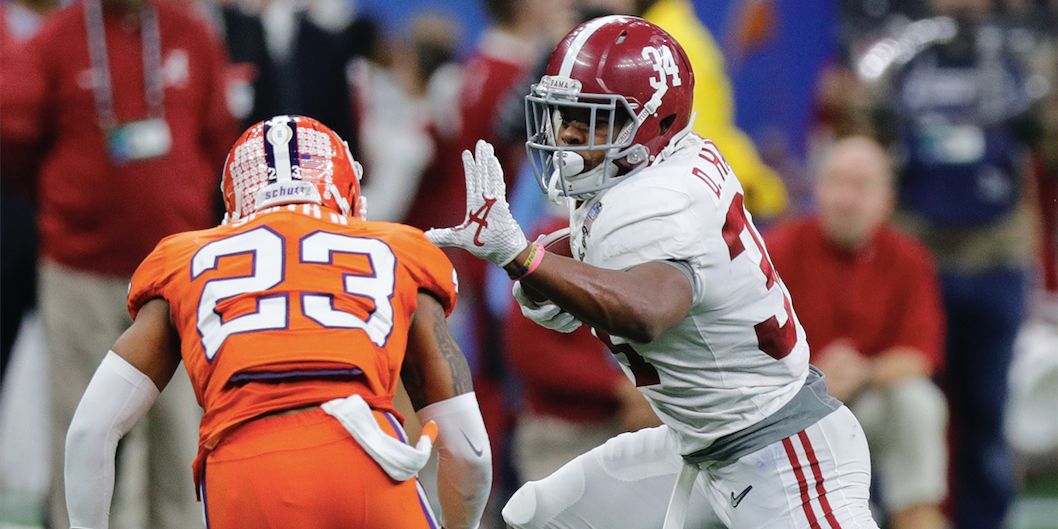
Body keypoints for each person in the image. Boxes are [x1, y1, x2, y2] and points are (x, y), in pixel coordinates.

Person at [427, 16, 879, 529]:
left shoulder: (655, 202)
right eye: (563, 113)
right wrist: (547, 265)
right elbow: (571, 307)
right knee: (541, 517)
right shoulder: (649, 169)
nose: (570, 133)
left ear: (655, 122)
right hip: (703, 445)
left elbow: (648, 311)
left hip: (780, 452)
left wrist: (523, 258)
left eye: (592, 118)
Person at [63, 115, 493, 529]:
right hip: (364, 458)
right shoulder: (398, 249)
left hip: (244, 466)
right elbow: (468, 450)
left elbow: (91, 428)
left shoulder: (185, 258)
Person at [0, 0, 240, 525]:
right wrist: (70, 204)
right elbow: (15, 139)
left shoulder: (190, 33)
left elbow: (220, 137)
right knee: (81, 420)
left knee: (180, 428)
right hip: (80, 268)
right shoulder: (57, 38)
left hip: (179, 273)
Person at [765, 137, 949, 529]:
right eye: (836, 182)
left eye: (861, 186)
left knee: (919, 401)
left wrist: (861, 373)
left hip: (870, 404)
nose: (846, 199)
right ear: (817, 189)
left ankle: (915, 515)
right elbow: (743, 352)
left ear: (887, 198)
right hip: (790, 411)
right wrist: (814, 377)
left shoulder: (909, 258)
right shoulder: (777, 250)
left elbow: (921, 355)